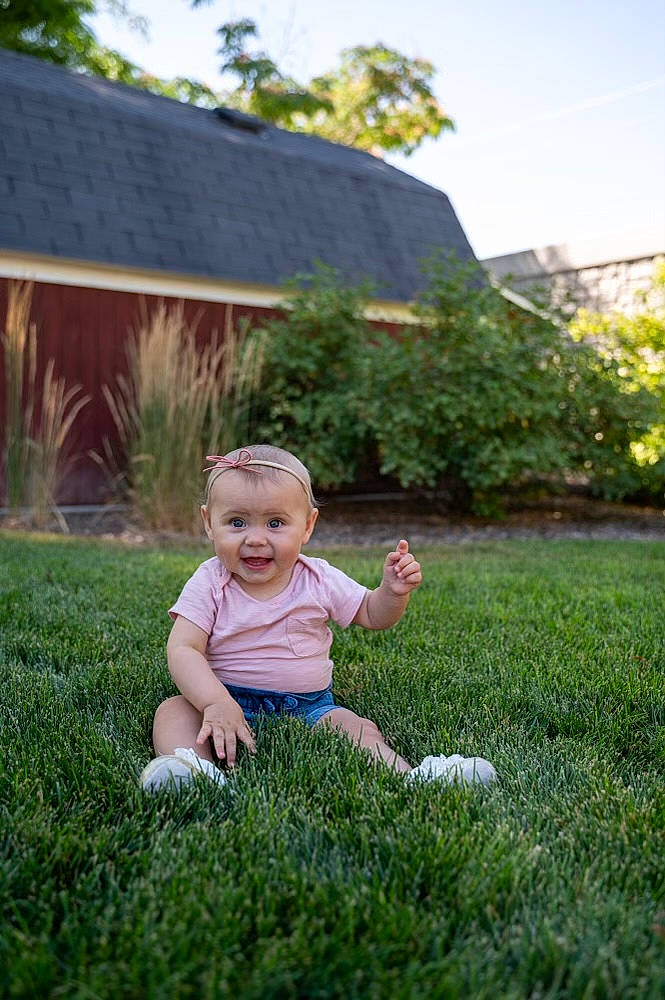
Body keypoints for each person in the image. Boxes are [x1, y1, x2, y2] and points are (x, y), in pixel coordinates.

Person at [141, 445, 496, 792]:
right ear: (209, 522)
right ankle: (192, 771)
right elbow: (184, 648)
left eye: (275, 523)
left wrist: (392, 592)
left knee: (356, 728)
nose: (256, 539)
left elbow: (371, 613)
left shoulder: (319, 578)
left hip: (308, 706)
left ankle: (411, 776)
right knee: (173, 712)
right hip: (223, 695)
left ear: (308, 525)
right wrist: (214, 702)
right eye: (237, 522)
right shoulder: (210, 581)